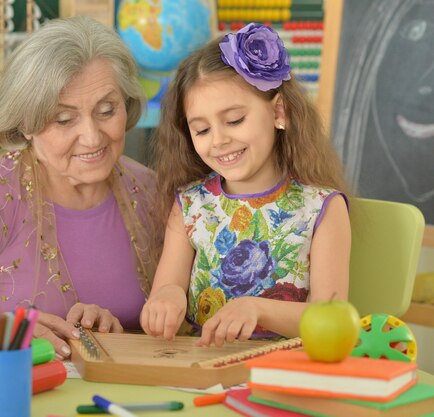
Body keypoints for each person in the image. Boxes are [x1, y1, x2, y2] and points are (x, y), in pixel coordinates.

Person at [0, 16, 160, 358]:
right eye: (63, 119)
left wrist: (119, 337)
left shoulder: (149, 193)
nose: (92, 136)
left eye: (106, 110)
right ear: (26, 122)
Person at [140, 23, 351, 346]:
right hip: (200, 367)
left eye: (234, 120)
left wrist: (256, 309)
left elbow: (331, 317)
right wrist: (166, 301)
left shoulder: (322, 208)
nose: (220, 140)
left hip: (287, 370)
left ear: (279, 111)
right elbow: (167, 286)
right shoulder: (190, 205)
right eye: (202, 129)